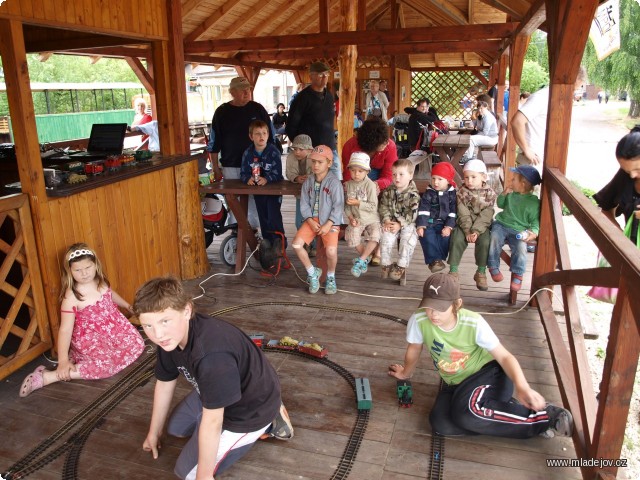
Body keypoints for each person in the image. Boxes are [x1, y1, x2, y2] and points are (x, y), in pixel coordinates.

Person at [134, 276, 293, 480]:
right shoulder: (169, 338)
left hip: (249, 410)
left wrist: (204, 476)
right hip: (216, 388)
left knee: (186, 473)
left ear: (187, 311)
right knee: (175, 429)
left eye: (165, 321)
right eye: (148, 326)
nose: (157, 333)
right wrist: (153, 432)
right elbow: (165, 383)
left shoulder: (211, 356)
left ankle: (270, 421)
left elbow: (213, 421)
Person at [388, 273, 574, 439]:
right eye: (429, 307)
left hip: (489, 374)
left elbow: (505, 357)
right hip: (456, 384)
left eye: (440, 308)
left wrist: (522, 387)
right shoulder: (419, 319)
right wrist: (405, 373)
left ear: (457, 304)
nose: (433, 314)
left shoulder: (473, 322)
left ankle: (545, 416)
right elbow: (414, 348)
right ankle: (500, 410)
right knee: (440, 425)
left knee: (467, 414)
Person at [19, 243, 144, 397]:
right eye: (78, 270)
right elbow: (65, 330)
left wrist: (127, 306)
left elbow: (111, 294)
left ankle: (79, 363)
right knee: (105, 366)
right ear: (69, 271)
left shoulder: (99, 281)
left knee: (137, 343)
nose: (84, 273)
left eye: (88, 268)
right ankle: (48, 376)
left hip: (115, 330)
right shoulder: (71, 296)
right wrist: (63, 360)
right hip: (92, 338)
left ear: (95, 265)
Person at [208, 76, 275, 229]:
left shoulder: (257, 109)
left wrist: (270, 161)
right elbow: (214, 142)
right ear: (232, 92)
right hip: (232, 165)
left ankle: (256, 232)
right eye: (242, 90)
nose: (247, 92)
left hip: (257, 163)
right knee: (234, 200)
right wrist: (215, 168)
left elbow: (270, 136)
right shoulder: (222, 112)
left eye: (248, 89)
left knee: (256, 198)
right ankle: (236, 230)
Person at [291, 145, 344, 295]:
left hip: (330, 221)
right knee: (296, 245)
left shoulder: (334, 183)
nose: (315, 165)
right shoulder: (308, 182)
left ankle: (331, 277)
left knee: (331, 251)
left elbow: (338, 206)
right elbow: (304, 203)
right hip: (312, 220)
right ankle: (312, 272)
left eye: (320, 162)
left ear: (329, 163)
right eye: (313, 161)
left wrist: (329, 223)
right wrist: (309, 220)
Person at [488, 165, 542, 292]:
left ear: (522, 184)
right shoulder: (511, 195)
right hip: (501, 224)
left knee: (521, 247)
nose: (511, 181)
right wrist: (503, 194)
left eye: (514, 180)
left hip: (519, 230)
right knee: (494, 237)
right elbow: (500, 204)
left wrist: (534, 232)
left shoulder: (534, 203)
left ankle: (518, 273)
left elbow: (535, 221)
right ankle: (493, 265)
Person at [447, 160, 497, 291]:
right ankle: (453, 270)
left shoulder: (490, 193)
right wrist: (468, 231)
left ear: (484, 177)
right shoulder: (461, 192)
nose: (469, 180)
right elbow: (462, 213)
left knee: (486, 242)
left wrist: (476, 231)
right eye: (466, 177)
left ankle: (481, 272)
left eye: (473, 177)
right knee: (456, 239)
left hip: (481, 226)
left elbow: (487, 214)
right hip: (464, 225)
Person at [286, 62, 341, 179]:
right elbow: (291, 126)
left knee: (336, 187)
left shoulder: (329, 96)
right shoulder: (302, 98)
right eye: (321, 74)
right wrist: (301, 149)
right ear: (311, 76)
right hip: (311, 154)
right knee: (310, 190)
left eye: (326, 74)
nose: (325, 77)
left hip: (330, 150)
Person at [240, 120, 286, 249]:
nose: (261, 136)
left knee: (273, 216)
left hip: (274, 192)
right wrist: (247, 178)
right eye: (258, 134)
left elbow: (277, 172)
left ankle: (280, 244)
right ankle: (267, 246)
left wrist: (267, 179)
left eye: (264, 133)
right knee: (263, 218)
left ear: (268, 134)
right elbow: (243, 172)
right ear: (251, 136)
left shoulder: (273, 151)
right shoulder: (248, 153)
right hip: (259, 192)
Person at [593, 127, 640, 242]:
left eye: (638, 169)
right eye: (628, 171)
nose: (633, 175)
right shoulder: (624, 177)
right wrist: (620, 237)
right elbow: (606, 208)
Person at [378, 159, 421, 282]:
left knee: (407, 241)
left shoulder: (413, 195)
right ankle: (386, 264)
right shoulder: (389, 191)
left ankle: (401, 265)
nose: (397, 177)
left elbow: (413, 214)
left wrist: (400, 224)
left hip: (408, 223)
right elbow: (383, 206)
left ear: (410, 176)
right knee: (385, 237)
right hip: (391, 222)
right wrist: (386, 220)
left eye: (401, 174)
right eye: (394, 174)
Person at [344, 152, 381, 278]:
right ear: (349, 170)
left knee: (375, 235)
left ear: (367, 171)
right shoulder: (348, 185)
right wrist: (350, 218)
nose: (356, 174)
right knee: (351, 237)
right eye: (353, 170)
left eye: (360, 171)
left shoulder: (370, 185)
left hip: (371, 219)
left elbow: (373, 206)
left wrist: (358, 202)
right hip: (357, 219)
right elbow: (347, 206)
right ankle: (367, 256)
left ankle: (362, 259)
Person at [416, 162, 457, 273]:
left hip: (444, 223)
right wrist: (421, 225)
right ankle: (434, 261)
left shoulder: (452, 194)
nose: (435, 182)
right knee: (426, 236)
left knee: (445, 237)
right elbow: (423, 210)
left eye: (440, 179)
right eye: (433, 178)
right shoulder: (429, 193)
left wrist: (449, 226)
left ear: (448, 180)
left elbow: (453, 212)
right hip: (429, 222)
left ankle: (438, 260)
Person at [341, 117, 398, 192]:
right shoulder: (350, 146)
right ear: (372, 143)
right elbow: (348, 174)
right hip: (356, 175)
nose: (387, 143)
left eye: (387, 139)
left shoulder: (390, 146)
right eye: (383, 142)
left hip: (378, 178)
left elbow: (389, 176)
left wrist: (375, 185)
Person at [285, 134, 315, 255]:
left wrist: (311, 178)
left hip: (315, 196)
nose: (297, 152)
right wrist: (296, 178)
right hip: (300, 196)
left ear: (310, 150)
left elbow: (321, 172)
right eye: (295, 149)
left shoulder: (315, 158)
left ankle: (315, 245)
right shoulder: (291, 158)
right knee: (299, 221)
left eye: (301, 149)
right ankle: (306, 243)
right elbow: (289, 173)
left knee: (315, 220)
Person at [511, 86, 549, 169]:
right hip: (533, 157)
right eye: (576, 89)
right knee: (523, 182)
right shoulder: (542, 97)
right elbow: (517, 122)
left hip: (537, 156)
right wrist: (526, 149)